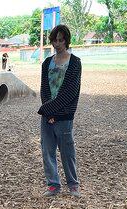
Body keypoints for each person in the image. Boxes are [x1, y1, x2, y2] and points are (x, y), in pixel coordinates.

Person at [38, 24, 82, 198]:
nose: (57, 44)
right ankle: (53, 184)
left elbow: (70, 92)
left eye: (61, 40)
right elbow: (44, 89)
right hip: (48, 115)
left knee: (67, 152)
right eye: (55, 40)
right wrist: (48, 113)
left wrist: (52, 112)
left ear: (66, 41)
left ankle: (73, 184)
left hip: (64, 115)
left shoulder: (75, 62)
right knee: (47, 150)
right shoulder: (47, 63)